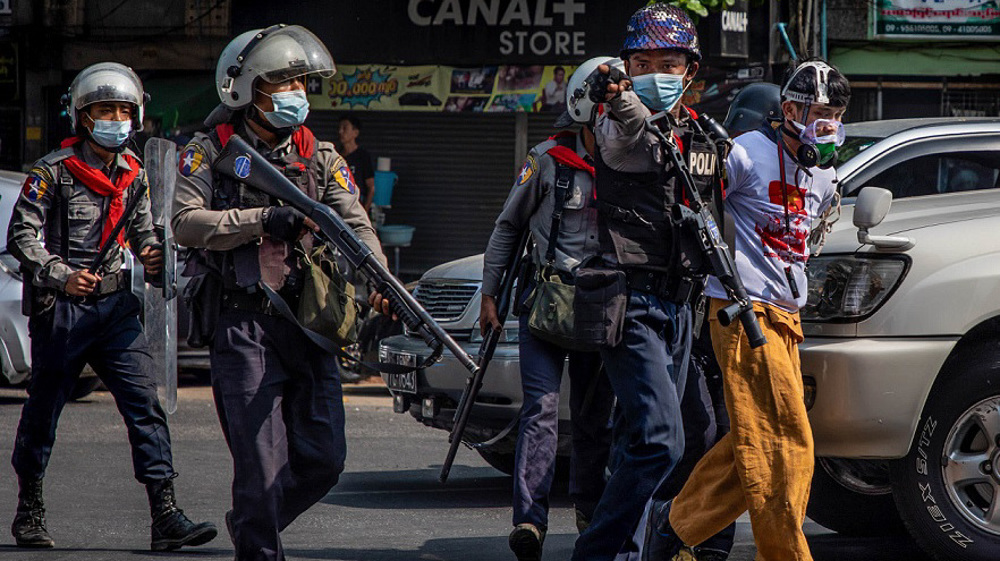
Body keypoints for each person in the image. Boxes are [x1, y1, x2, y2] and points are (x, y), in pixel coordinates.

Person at [171, 24, 385, 561]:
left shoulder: (321, 156)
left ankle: (252, 521)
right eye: (282, 83)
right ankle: (258, 539)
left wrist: (382, 281)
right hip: (243, 325)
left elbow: (357, 226)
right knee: (259, 468)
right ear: (244, 90)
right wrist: (262, 218)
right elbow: (185, 222)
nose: (296, 94)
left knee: (324, 460)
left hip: (310, 325)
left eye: (300, 83)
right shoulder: (209, 152)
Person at [644, 58, 850, 561]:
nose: (825, 123)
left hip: (788, 318)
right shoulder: (745, 154)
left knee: (750, 446)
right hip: (742, 311)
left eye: (834, 113)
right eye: (815, 111)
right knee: (791, 445)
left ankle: (672, 527)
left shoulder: (824, 179)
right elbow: (693, 200)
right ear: (788, 109)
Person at [7, 62, 217, 551]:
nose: (116, 119)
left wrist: (154, 253)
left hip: (118, 309)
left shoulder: (135, 174)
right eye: (106, 110)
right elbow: (21, 236)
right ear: (84, 117)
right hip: (61, 311)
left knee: (146, 407)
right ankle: (29, 509)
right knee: (43, 413)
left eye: (124, 110)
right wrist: (61, 274)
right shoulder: (52, 173)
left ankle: (165, 516)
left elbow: (145, 233)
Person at [570, 4, 728, 560]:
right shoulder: (618, 123)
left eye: (669, 61)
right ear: (625, 67)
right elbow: (630, 128)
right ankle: (595, 552)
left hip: (684, 306)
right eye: (643, 61)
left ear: (690, 69)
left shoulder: (702, 135)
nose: (657, 71)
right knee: (662, 440)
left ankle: (632, 552)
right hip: (630, 304)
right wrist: (616, 91)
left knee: (658, 440)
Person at [482, 57, 615, 561]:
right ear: (584, 111)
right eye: (607, 111)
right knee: (540, 411)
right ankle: (529, 521)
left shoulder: (635, 165)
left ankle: (590, 510)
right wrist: (490, 294)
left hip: (602, 309)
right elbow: (506, 228)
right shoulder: (545, 160)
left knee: (593, 418)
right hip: (543, 306)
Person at [337, 114, 376, 211]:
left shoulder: (362, 156)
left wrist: (365, 211)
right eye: (340, 128)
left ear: (355, 133)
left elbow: (371, 187)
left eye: (345, 128)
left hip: (356, 206)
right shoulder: (336, 156)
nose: (340, 131)